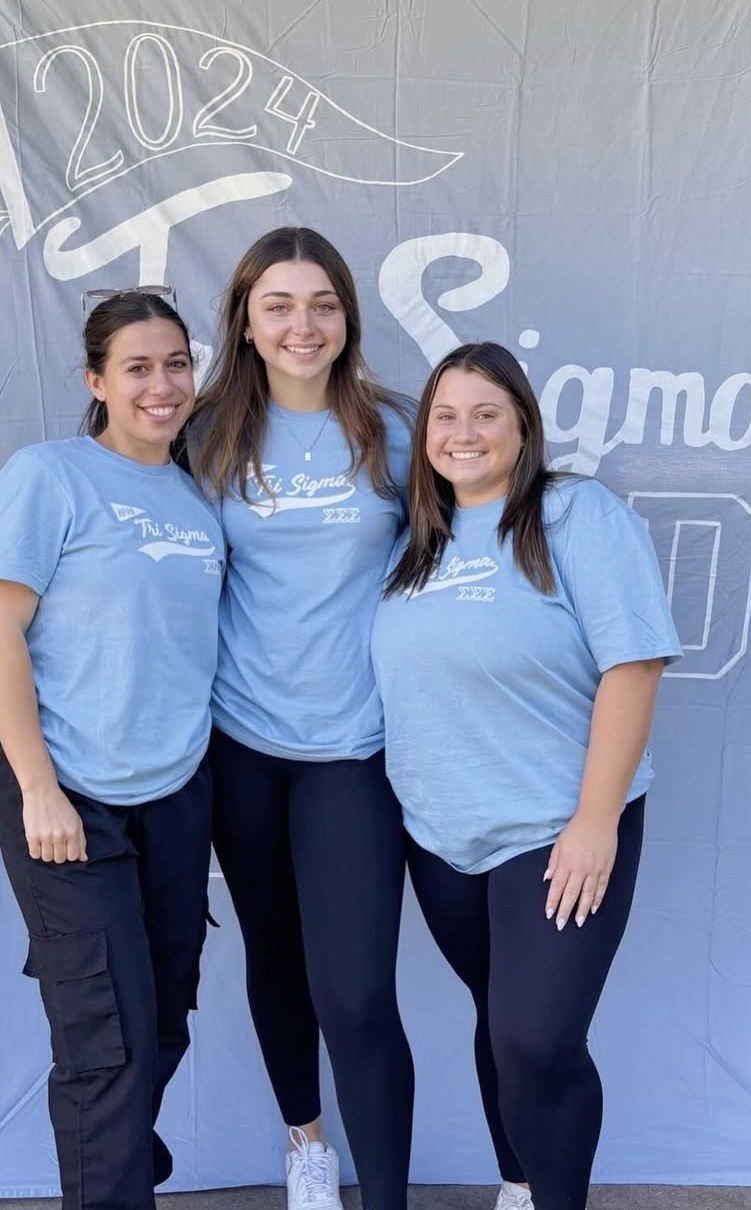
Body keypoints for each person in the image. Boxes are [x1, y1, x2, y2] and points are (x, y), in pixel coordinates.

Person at [371, 342, 682, 1210]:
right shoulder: (413, 538)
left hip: (555, 825)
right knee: (498, 1019)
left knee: (535, 1037)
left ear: (522, 427)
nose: (462, 433)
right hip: (439, 832)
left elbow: (634, 665)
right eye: (444, 415)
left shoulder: (575, 514)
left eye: (485, 414)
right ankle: (519, 1185)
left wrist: (595, 822)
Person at [0, 289, 223, 1210]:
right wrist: (39, 787)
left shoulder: (202, 492)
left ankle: (114, 1158)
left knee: (162, 1016)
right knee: (102, 1036)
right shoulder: (51, 475)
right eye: (137, 367)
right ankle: (110, 1181)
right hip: (67, 791)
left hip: (175, 794)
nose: (162, 386)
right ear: (96, 380)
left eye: (176, 364)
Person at [187, 227, 415, 1210]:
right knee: (275, 959)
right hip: (238, 748)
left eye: (320, 303)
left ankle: (387, 1196)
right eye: (277, 304)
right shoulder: (199, 436)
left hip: (353, 751)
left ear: (347, 316)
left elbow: (471, 543)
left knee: (356, 992)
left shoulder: (395, 432)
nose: (301, 323)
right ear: (244, 318)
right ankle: (306, 1148)